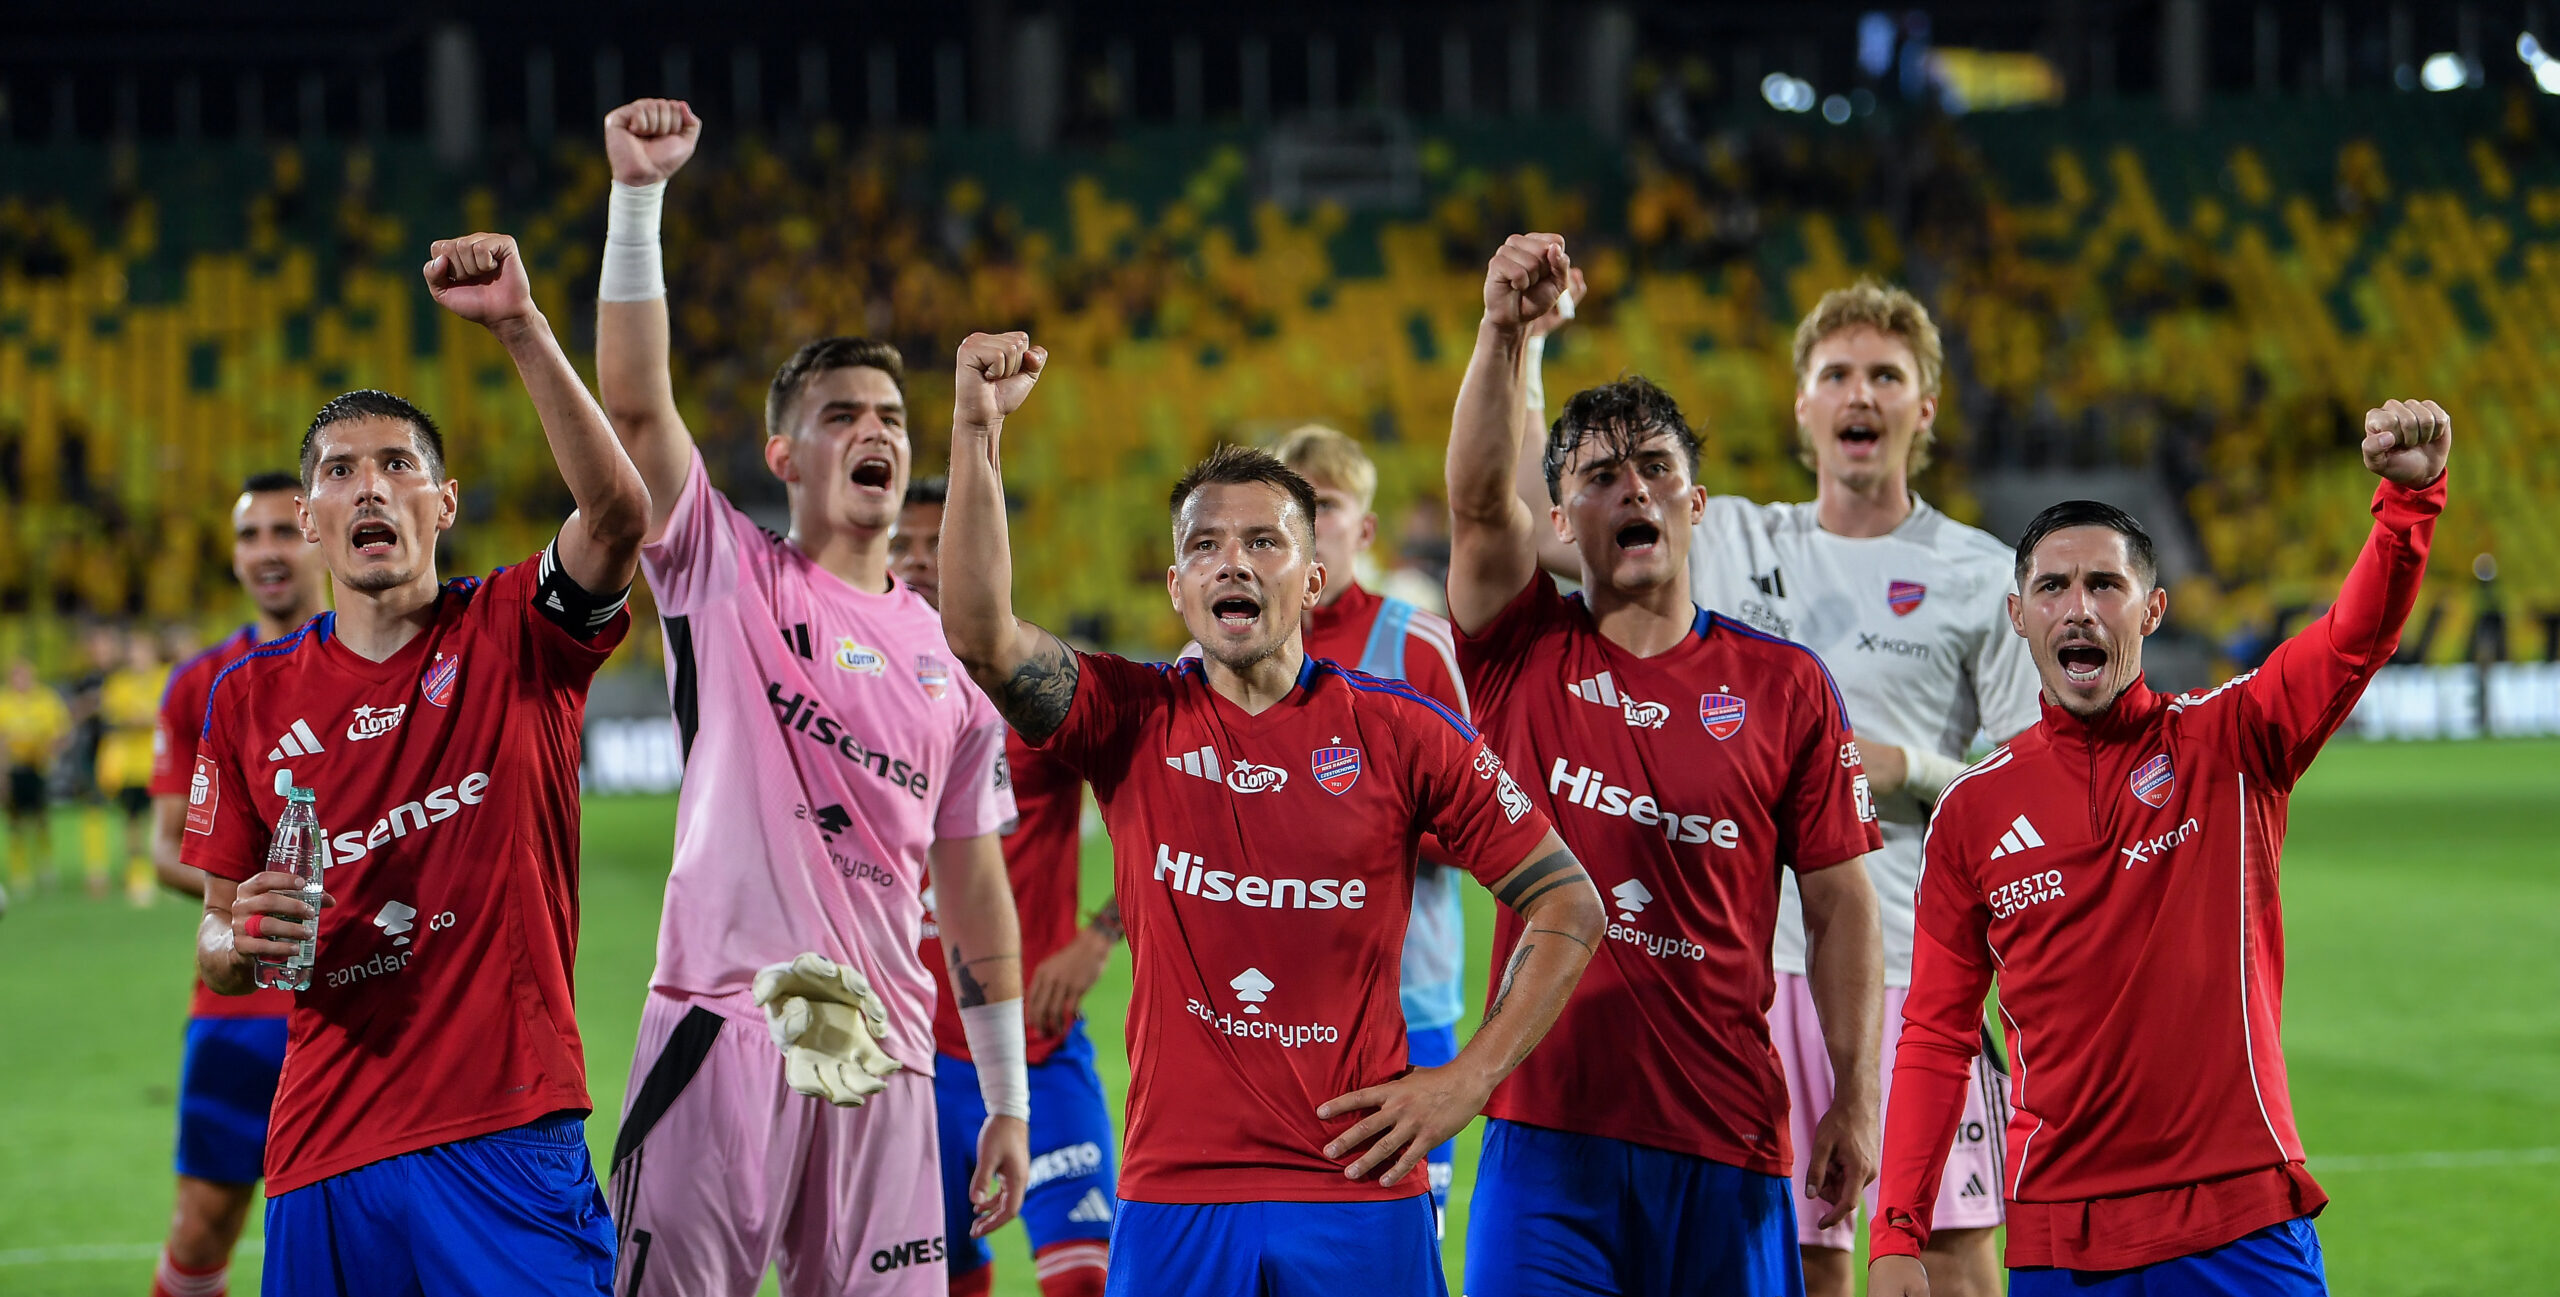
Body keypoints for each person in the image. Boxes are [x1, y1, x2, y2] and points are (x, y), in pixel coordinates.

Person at [938, 329, 1606, 1297]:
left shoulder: (1402, 732)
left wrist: (1467, 1080)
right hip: (1176, 1192)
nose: (1231, 563)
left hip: (1358, 1189)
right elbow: (980, 635)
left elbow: (1568, 901)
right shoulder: (1128, 716)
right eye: (1204, 546)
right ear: (1177, 588)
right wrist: (973, 428)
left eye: (1264, 541)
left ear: (1314, 578)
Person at [592, 98, 1031, 1297]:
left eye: (889, 416)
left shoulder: (954, 665)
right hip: (727, 1029)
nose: (872, 432)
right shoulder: (724, 572)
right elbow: (633, 412)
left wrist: (1000, 1096)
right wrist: (639, 199)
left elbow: (974, 887)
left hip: (888, 1062)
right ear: (783, 455)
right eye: (840, 415)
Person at [1518, 280, 2034, 1297]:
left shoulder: (1979, 572)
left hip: (1902, 956)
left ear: (1922, 407)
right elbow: (1549, 517)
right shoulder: (1735, 536)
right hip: (1747, 967)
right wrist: (1525, 343)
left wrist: (1914, 770)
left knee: (1948, 1257)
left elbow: (2031, 783)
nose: (1860, 393)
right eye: (1835, 373)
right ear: (1801, 403)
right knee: (1804, 1262)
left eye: (1886, 376)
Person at [1869, 400, 2452, 1297]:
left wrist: (2409, 509)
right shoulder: (1971, 813)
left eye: (2106, 584)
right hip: (2063, 1241)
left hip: (2240, 1219)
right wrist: (1898, 1228)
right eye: (2054, 588)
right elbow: (1937, 1035)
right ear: (2018, 615)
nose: (2080, 608)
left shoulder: (2233, 740)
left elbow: (2351, 641)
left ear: (2153, 608)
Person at [184, 230, 650, 1295]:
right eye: (340, 473)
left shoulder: (515, 633)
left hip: (504, 1128)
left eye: (399, 465)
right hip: (323, 1146)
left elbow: (619, 516)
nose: (369, 489)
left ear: (441, 505)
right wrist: (240, 932)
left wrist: (519, 327)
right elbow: (215, 940)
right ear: (310, 521)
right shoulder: (247, 701)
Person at [1445, 233, 1885, 1296]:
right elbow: (1472, 502)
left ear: (1694, 506)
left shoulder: (1785, 686)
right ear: (1561, 520)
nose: (1631, 488)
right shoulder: (1520, 647)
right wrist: (1502, 329)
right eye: (1599, 475)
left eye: (1656, 470)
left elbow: (1841, 908)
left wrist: (1856, 1096)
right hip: (1543, 1132)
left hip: (1724, 1137)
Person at [895, 478, 1124, 1297]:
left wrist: (1100, 933)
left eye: (940, 543)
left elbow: (1166, 798)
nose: (923, 561)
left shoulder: (1033, 688)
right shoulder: (846, 686)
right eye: (904, 545)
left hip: (1038, 1045)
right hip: (905, 1063)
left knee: (1085, 1281)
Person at [145, 470, 331, 1297]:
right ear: (232, 556)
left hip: (361, 996)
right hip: (237, 1000)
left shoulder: (382, 665)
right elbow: (160, 848)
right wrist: (258, 899)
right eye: (249, 535)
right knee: (201, 1227)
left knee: (351, 1228)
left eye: (283, 531)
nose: (267, 551)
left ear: (317, 536)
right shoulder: (199, 686)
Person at [99, 630, 168, 905]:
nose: (138, 657)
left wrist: (143, 718)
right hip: (130, 764)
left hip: (159, 763)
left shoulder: (166, 678)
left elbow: (170, 714)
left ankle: (161, 874)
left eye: (143, 651)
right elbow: (114, 716)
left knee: (161, 822)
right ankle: (137, 875)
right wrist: (143, 718)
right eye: (134, 652)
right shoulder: (119, 684)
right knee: (133, 823)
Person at [1, 658, 70, 892]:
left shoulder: (45, 699)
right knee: (15, 820)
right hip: (13, 769)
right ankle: (20, 871)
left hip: (38, 767)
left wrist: (48, 749)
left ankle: (45, 865)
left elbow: (62, 731)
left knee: (42, 819)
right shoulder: (4, 701)